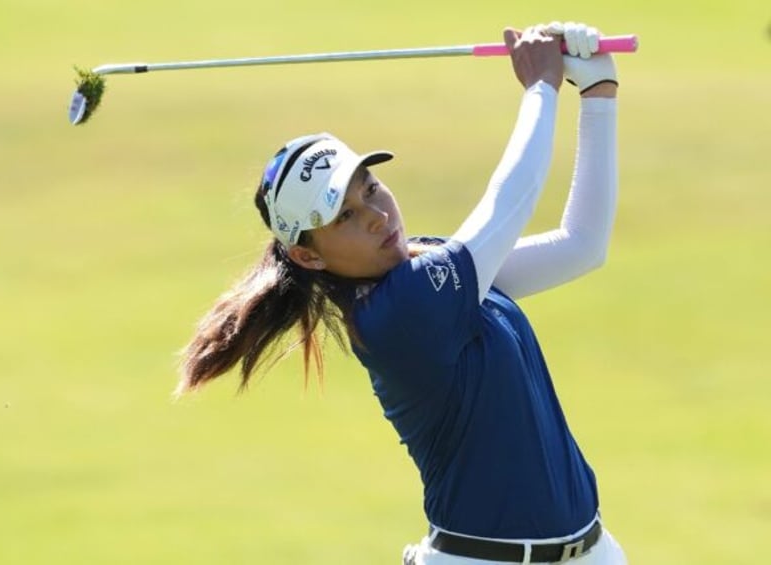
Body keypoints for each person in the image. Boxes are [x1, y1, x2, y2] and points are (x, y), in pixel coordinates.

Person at [178, 21, 627, 565]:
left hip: (592, 551)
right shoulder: (398, 313)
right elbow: (510, 200)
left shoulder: (424, 264)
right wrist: (541, 87)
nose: (375, 215)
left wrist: (599, 96)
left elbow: (581, 246)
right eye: (343, 215)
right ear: (307, 255)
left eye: (369, 188)